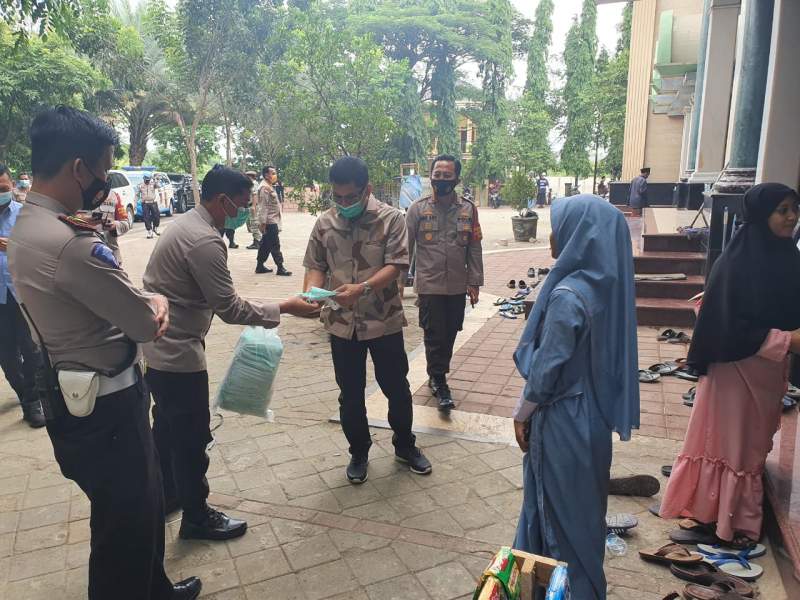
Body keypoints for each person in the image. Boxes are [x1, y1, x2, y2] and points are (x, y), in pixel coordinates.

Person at [8, 106, 201, 600]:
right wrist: (157, 301)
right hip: (109, 409)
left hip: (75, 396)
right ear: (78, 169)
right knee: (125, 526)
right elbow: (142, 323)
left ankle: (154, 588)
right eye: (102, 170)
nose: (104, 184)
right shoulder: (70, 244)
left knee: (138, 508)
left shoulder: (28, 224)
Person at [142, 164, 317, 541]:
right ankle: (196, 517)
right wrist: (285, 307)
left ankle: (169, 494)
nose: (245, 211)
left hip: (158, 347)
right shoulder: (204, 241)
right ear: (222, 200)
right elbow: (229, 308)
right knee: (191, 437)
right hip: (177, 353)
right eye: (242, 203)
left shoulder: (186, 224)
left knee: (168, 432)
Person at [512, 195, 639, 599]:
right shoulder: (604, 287)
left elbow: (547, 371)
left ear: (578, 234)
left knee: (556, 517)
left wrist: (522, 412)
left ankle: (563, 592)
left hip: (563, 418)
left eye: (557, 225)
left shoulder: (568, 295)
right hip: (592, 418)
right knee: (583, 516)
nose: (552, 235)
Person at [660, 183, 800, 549]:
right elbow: (727, 324)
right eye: (782, 209)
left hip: (767, 373)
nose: (791, 217)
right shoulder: (737, 260)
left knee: (750, 450)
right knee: (725, 446)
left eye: (794, 209)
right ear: (761, 214)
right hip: (735, 370)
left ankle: (734, 520)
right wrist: (788, 340)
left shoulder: (788, 258)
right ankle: (715, 521)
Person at [303, 156, 431, 484]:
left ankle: (405, 445)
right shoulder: (325, 223)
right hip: (341, 324)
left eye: (350, 197)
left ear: (367, 189)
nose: (344, 204)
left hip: (382, 320)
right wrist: (310, 294)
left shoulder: (391, 220)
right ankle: (359, 451)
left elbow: (397, 265)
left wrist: (361, 288)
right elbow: (316, 264)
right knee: (350, 392)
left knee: (396, 388)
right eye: (338, 197)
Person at [406, 154, 483, 410]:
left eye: (446, 176)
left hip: (457, 286)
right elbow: (405, 249)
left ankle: (437, 372)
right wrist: (396, 284)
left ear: (456, 179)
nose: (441, 180)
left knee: (451, 331)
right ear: (431, 176)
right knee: (434, 334)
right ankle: (439, 380)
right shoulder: (417, 209)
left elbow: (474, 248)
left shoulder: (468, 209)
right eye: (437, 175)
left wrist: (474, 282)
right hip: (429, 285)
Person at [0, 164, 45, 428]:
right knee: (6, 354)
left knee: (32, 348)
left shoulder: (24, 215)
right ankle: (25, 392)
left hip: (22, 293)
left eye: (3, 189)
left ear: (12, 187)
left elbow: (40, 250)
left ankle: (33, 400)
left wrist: (14, 247)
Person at [255, 165, 291, 275]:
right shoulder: (265, 188)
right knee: (275, 244)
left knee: (265, 244)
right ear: (266, 175)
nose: (275, 175)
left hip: (271, 220)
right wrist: (263, 223)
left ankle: (259, 266)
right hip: (269, 221)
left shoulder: (269, 185)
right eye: (273, 173)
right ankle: (280, 267)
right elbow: (263, 206)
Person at [139, 173, 161, 239]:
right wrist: (134, 203)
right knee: (146, 218)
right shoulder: (140, 185)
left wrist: (156, 180)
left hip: (153, 202)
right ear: (144, 179)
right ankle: (149, 231)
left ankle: (155, 228)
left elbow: (159, 186)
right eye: (146, 180)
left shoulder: (153, 183)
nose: (147, 181)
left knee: (157, 216)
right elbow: (137, 195)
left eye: (148, 180)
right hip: (145, 203)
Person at [245, 170, 262, 249]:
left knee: (255, 224)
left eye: (248, 176)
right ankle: (256, 241)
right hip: (251, 205)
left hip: (254, 206)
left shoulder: (254, 183)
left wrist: (254, 206)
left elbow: (255, 195)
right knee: (252, 224)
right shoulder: (250, 184)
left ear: (251, 176)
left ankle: (257, 243)